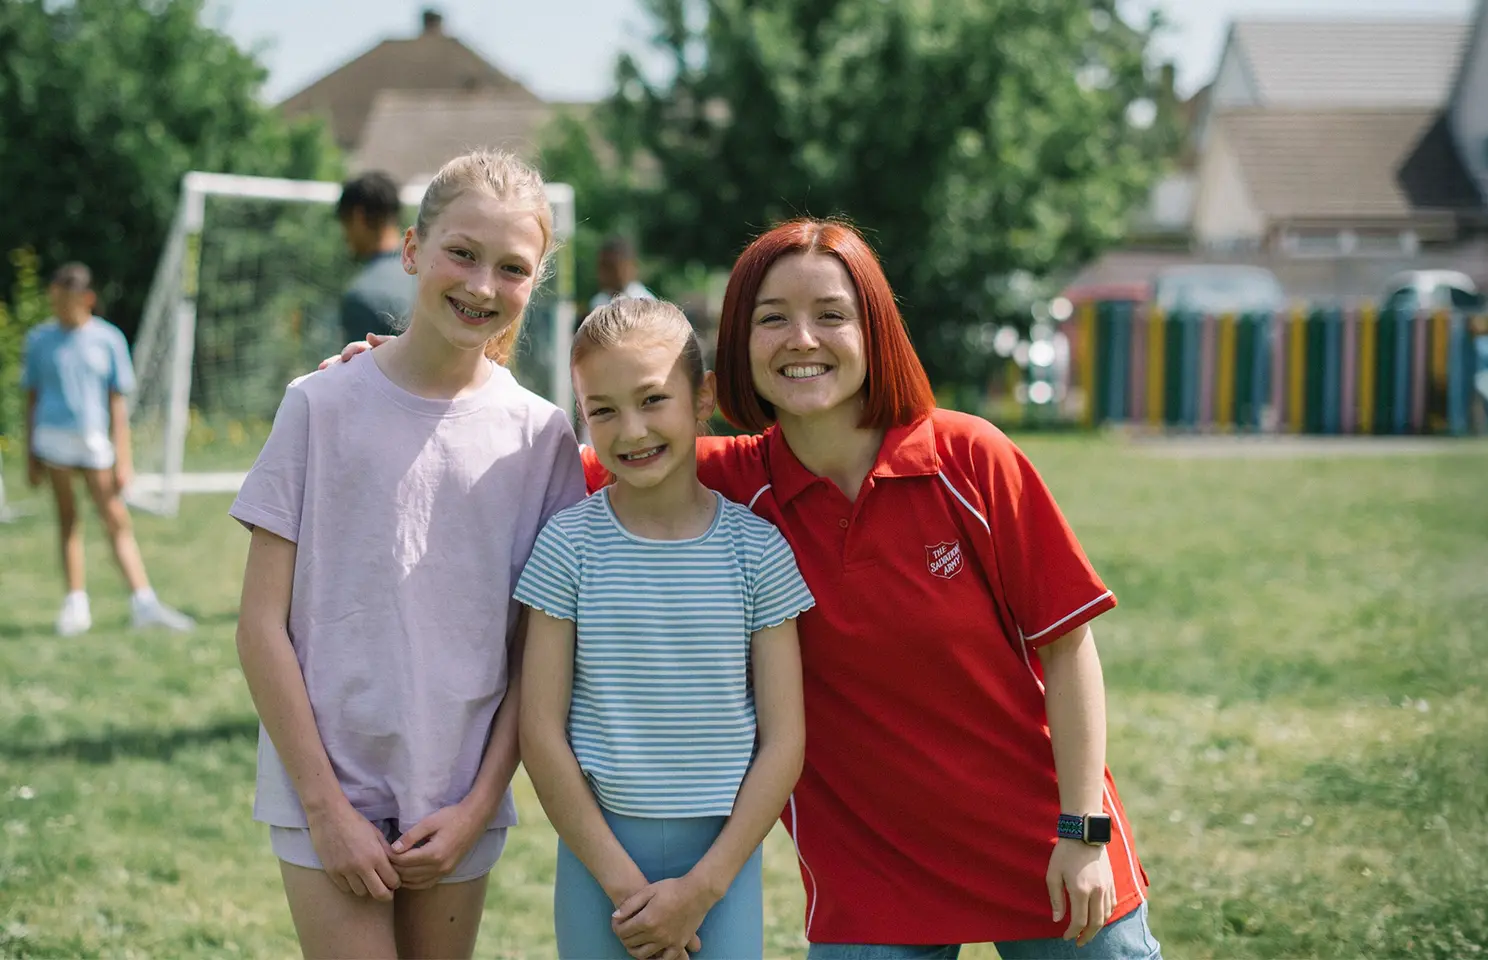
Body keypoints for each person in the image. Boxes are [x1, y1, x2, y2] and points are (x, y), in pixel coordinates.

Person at [329, 219, 1159, 957]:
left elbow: (1068, 647)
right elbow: (537, 458)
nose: (803, 338)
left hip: (1044, 846)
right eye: (772, 318)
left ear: (874, 328)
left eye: (831, 314)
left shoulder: (970, 459)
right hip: (875, 879)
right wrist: (405, 373)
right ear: (739, 349)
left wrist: (1081, 830)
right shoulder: (726, 482)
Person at [233, 150, 585, 960]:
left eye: (512, 267)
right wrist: (325, 808)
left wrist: (479, 803)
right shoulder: (319, 404)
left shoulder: (540, 438)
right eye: (462, 253)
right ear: (412, 251)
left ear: (534, 284)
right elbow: (259, 627)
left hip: (456, 805)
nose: (482, 285)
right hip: (324, 791)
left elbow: (539, 653)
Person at [517, 296, 811, 959]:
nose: (630, 431)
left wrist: (701, 891)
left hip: (721, 872)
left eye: (653, 400)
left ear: (701, 397)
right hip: (598, 865)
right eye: (603, 411)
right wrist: (626, 889)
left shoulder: (758, 553)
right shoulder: (568, 547)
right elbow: (539, 729)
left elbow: (785, 737)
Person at [21, 263, 195, 636]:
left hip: (94, 442)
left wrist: (123, 457)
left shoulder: (108, 339)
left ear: (86, 299)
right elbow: (31, 398)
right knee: (68, 520)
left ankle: (143, 603)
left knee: (115, 519)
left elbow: (117, 404)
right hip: (52, 440)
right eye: (54, 300)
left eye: (65, 301)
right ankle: (75, 605)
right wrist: (29, 454)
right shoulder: (39, 340)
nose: (58, 309)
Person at [337, 170, 417, 344]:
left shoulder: (362, 296)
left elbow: (360, 370)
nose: (345, 236)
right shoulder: (430, 273)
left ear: (358, 217)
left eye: (344, 223)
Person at [587, 235, 658, 315]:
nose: (603, 273)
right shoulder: (598, 302)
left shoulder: (645, 304)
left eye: (610, 267)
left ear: (628, 266)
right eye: (600, 266)